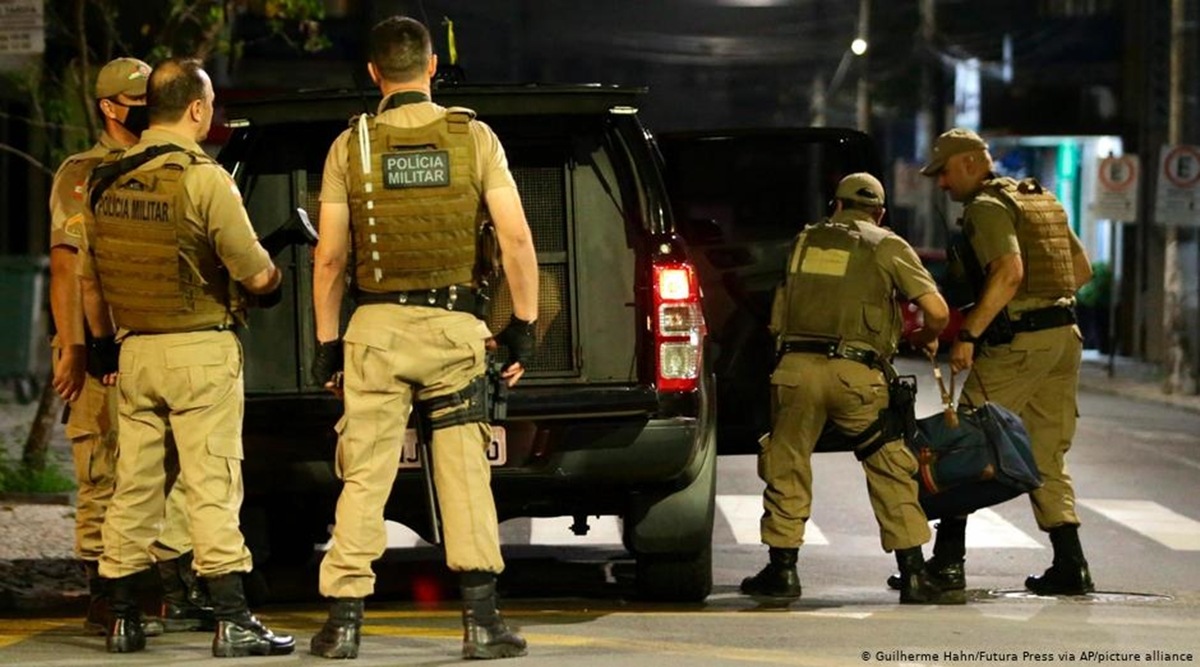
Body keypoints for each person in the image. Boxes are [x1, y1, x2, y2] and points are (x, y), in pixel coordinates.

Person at [308, 15, 538, 660]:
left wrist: (328, 345)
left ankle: (343, 624)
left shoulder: (348, 147)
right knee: (464, 473)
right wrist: (522, 329)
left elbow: (329, 259)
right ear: (432, 66)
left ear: (375, 73)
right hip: (454, 330)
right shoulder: (475, 138)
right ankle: (481, 621)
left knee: (364, 475)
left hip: (375, 332)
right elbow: (517, 238)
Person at [78, 57, 294, 657]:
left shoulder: (101, 179)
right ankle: (232, 618)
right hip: (200, 350)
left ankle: (123, 617)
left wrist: (101, 351)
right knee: (212, 484)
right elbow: (254, 272)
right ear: (197, 109)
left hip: (134, 350)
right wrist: (272, 282)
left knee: (133, 488)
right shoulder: (203, 178)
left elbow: (90, 283)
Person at [740, 173, 963, 605]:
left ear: (835, 205)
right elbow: (936, 311)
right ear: (879, 212)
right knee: (889, 466)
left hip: (796, 371)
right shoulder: (887, 244)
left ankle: (782, 570)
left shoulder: (804, 242)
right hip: (857, 376)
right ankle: (914, 573)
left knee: (786, 463)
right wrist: (920, 338)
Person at [47, 57, 211, 637]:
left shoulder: (172, 161)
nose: (144, 108)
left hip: (155, 338)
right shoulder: (84, 171)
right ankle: (105, 590)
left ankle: (164, 585)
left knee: (165, 468)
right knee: (104, 466)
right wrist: (76, 348)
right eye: (133, 100)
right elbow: (68, 271)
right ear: (109, 107)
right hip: (101, 346)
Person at [911, 128, 1095, 596]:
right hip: (1064, 337)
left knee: (965, 440)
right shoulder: (1040, 200)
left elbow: (1009, 272)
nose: (943, 185)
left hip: (1020, 342)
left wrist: (971, 333)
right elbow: (1081, 271)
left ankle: (948, 562)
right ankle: (1071, 565)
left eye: (946, 172)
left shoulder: (988, 208)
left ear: (972, 163)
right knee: (1046, 450)